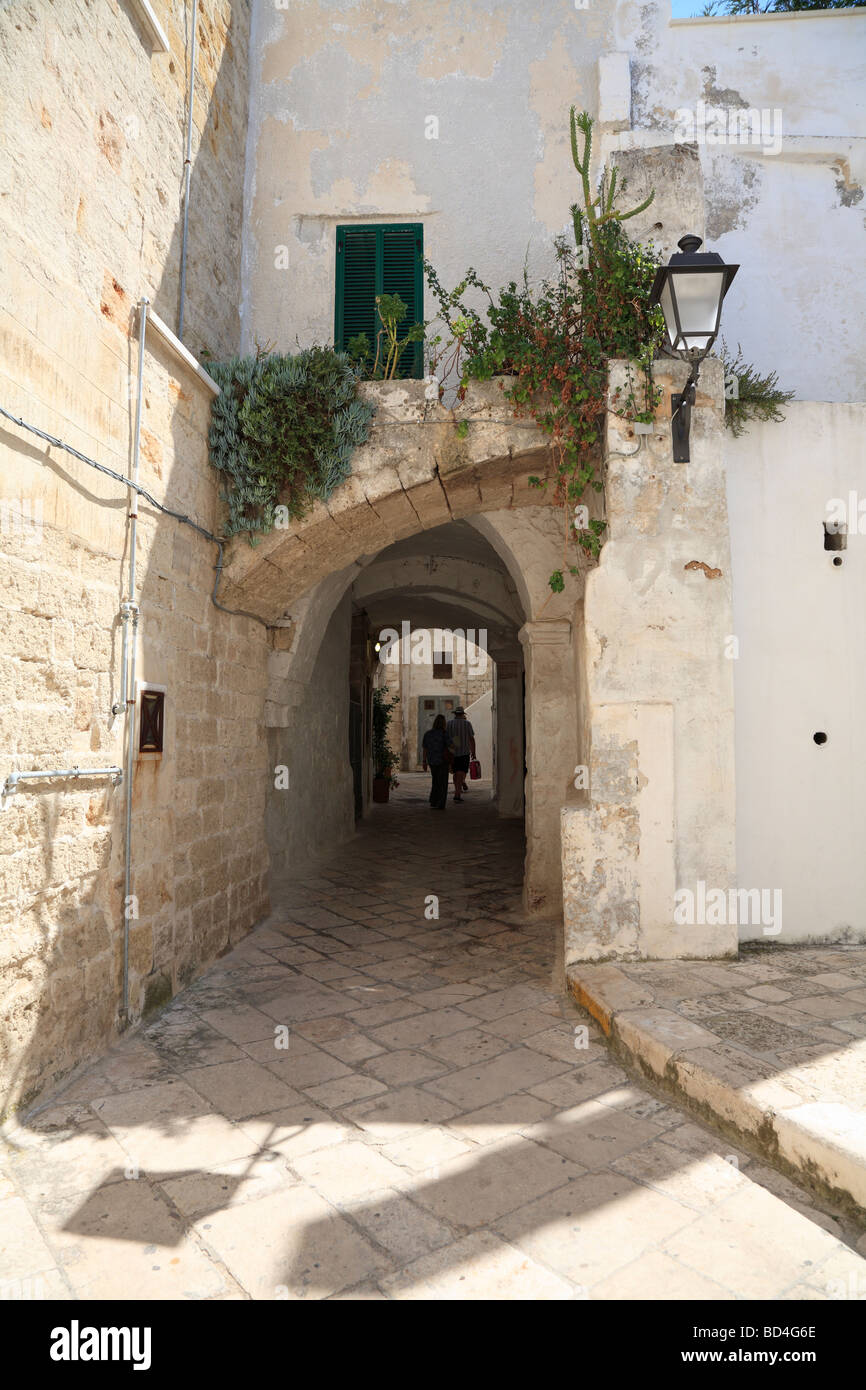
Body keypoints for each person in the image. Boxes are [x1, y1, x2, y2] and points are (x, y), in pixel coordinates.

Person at [421, 713, 453, 809]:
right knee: (443, 783)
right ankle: (440, 803)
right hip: (443, 761)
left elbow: (425, 748)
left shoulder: (428, 734)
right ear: (443, 723)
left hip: (432, 761)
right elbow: (451, 747)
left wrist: (424, 761)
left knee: (435, 781)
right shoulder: (445, 734)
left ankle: (433, 801)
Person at [446, 706, 476, 802]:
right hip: (464, 752)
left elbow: (446, 739)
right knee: (461, 772)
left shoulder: (449, 724)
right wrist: (473, 752)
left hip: (452, 753)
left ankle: (457, 789)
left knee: (455, 772)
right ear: (463, 714)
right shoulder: (467, 724)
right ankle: (457, 794)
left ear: (455, 714)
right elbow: (471, 739)